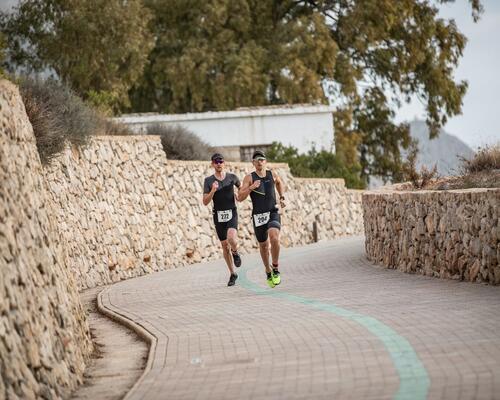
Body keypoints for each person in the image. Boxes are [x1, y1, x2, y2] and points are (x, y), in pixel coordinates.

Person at [238, 150, 286, 288]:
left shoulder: (272, 174)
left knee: (274, 237)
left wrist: (282, 197)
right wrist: (251, 187)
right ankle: (267, 269)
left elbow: (279, 182)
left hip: (273, 211)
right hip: (258, 216)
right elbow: (240, 197)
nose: (260, 161)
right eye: (257, 159)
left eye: (262, 159)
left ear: (265, 161)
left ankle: (275, 268)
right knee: (264, 246)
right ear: (253, 163)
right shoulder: (249, 178)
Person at [203, 153, 242, 286]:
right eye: (216, 162)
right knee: (225, 246)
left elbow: (242, 189)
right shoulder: (208, 181)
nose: (219, 164)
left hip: (231, 212)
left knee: (231, 238)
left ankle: (235, 252)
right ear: (212, 164)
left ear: (224, 163)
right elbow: (205, 202)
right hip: (218, 216)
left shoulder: (232, 177)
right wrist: (212, 191)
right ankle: (232, 273)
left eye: (221, 161)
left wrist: (239, 194)